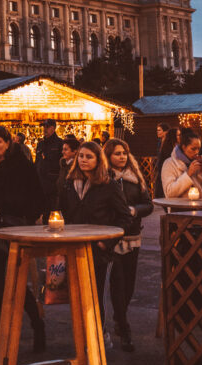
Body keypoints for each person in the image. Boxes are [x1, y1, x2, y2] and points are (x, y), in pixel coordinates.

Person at [0, 125, 46, 363]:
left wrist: (24, 219)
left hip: (15, 233)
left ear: (7, 143)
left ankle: (36, 324)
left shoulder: (22, 166)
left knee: (16, 283)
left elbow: (37, 197)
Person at [59, 140, 132, 332]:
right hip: (74, 245)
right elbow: (62, 211)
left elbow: (124, 217)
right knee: (77, 294)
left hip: (98, 249)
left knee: (95, 294)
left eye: (89, 157)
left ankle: (99, 335)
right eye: (81, 156)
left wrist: (106, 243)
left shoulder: (109, 185)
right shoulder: (69, 184)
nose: (83, 160)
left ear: (98, 160)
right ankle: (82, 335)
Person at [104, 138, 153, 351]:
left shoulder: (135, 177)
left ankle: (119, 318)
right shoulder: (105, 179)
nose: (121, 157)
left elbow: (148, 204)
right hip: (114, 236)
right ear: (108, 156)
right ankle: (123, 325)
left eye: (124, 153)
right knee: (118, 281)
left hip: (133, 234)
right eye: (117, 153)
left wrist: (135, 211)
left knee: (130, 282)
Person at [161, 128, 202, 199]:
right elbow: (169, 192)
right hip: (179, 208)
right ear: (184, 147)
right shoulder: (169, 164)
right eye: (193, 149)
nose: (196, 152)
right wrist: (188, 174)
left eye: (198, 149)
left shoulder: (197, 162)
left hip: (200, 207)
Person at [35, 119, 63, 220]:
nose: (44, 129)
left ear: (54, 128)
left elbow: (62, 164)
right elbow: (37, 162)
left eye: (47, 127)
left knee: (52, 215)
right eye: (44, 127)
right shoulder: (41, 144)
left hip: (53, 185)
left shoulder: (60, 144)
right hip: (41, 184)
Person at [155, 128, 179, 198]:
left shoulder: (179, 148)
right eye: (178, 135)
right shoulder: (168, 150)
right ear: (173, 137)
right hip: (167, 178)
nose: (180, 137)